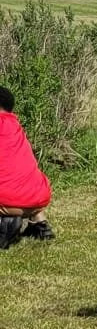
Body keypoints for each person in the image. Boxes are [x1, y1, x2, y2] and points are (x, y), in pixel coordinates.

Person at [0, 85, 55, 248]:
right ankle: (40, 224)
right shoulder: (15, 127)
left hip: (8, 201)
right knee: (21, 174)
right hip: (37, 199)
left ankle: (5, 223)